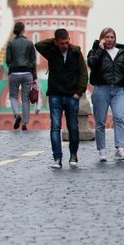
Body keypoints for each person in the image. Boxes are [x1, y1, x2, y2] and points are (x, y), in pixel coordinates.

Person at [35, 29, 88, 169]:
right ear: (56, 42)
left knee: (73, 128)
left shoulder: (76, 52)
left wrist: (79, 92)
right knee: (55, 127)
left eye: (67, 42)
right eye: (62, 43)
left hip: (72, 96)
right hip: (55, 95)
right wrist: (52, 42)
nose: (65, 45)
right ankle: (57, 159)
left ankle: (73, 156)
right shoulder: (51, 52)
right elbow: (38, 45)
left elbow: (83, 73)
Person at [87, 28, 124, 162]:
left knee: (119, 117)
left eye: (112, 37)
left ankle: (120, 149)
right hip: (101, 89)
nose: (110, 40)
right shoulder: (95, 51)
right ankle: (102, 150)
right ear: (102, 38)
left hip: (118, 89)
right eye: (107, 37)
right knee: (100, 122)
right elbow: (91, 64)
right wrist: (100, 49)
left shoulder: (121, 51)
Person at [6, 22, 37, 131]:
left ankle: (16, 115)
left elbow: (8, 61)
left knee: (13, 96)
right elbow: (33, 61)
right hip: (28, 73)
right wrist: (35, 77)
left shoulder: (10, 43)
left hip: (14, 73)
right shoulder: (29, 43)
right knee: (25, 99)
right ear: (23, 30)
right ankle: (25, 123)